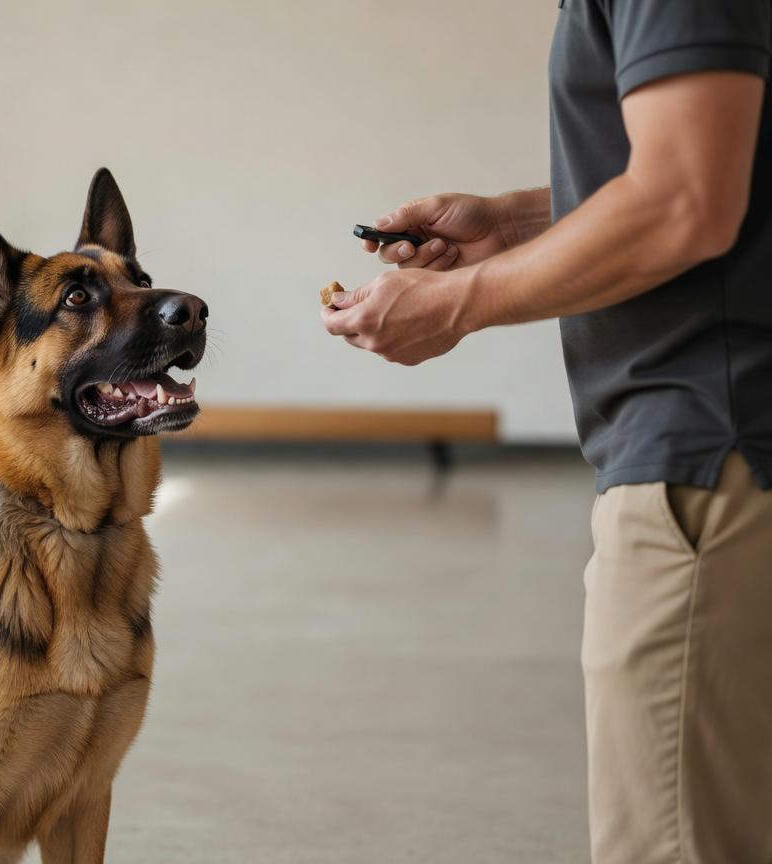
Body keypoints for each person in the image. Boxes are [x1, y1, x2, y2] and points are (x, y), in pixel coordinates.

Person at [320, 4, 772, 863]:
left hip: (707, 451)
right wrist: (516, 224)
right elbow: (725, 156)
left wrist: (454, 303)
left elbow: (685, 199)